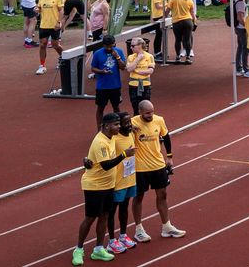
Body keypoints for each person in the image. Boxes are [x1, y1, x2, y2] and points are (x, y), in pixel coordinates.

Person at [74, 114, 129, 265]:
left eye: (119, 124)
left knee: (104, 215)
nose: (119, 127)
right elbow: (106, 166)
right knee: (90, 217)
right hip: (94, 185)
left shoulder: (111, 137)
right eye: (116, 124)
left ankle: (98, 249)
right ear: (106, 126)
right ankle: (78, 250)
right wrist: (124, 155)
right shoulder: (100, 142)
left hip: (108, 185)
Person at [129, 99, 184, 241]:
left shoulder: (159, 120)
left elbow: (166, 137)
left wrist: (169, 157)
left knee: (163, 195)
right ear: (140, 112)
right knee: (139, 197)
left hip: (158, 165)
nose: (150, 115)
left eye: (152, 111)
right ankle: (139, 229)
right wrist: (127, 128)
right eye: (147, 113)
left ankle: (167, 226)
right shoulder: (132, 123)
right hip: (140, 167)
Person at [107, 113, 137, 254]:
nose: (129, 125)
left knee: (125, 208)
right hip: (117, 181)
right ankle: (112, 241)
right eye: (126, 123)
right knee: (112, 211)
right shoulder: (114, 139)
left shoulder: (130, 134)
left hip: (129, 178)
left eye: (129, 122)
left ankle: (123, 235)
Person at [90, 34, 126, 130]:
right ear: (103, 45)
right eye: (107, 46)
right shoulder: (97, 53)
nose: (109, 48)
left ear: (114, 43)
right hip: (102, 87)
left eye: (111, 46)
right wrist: (102, 72)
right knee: (100, 108)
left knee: (117, 107)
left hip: (115, 85)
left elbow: (123, 67)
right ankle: (99, 129)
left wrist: (117, 57)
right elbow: (93, 68)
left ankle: (118, 128)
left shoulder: (119, 51)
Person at [35, 0, 70, 75]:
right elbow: (39, 8)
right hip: (44, 25)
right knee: (43, 44)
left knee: (55, 45)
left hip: (54, 25)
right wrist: (37, 9)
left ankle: (65, 58)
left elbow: (61, 11)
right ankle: (42, 66)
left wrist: (59, 22)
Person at [125, 38, 155, 115]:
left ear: (140, 46)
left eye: (132, 46)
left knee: (145, 107)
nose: (130, 47)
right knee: (135, 107)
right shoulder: (130, 57)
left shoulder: (149, 56)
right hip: (133, 85)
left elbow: (150, 71)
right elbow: (129, 69)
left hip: (145, 85)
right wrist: (138, 59)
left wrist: (138, 71)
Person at [168, 0, 196, 64]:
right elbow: (192, 13)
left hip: (177, 22)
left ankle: (178, 57)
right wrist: (194, 21)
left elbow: (167, 10)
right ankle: (188, 57)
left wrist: (164, 17)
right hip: (188, 21)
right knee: (187, 39)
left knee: (178, 39)